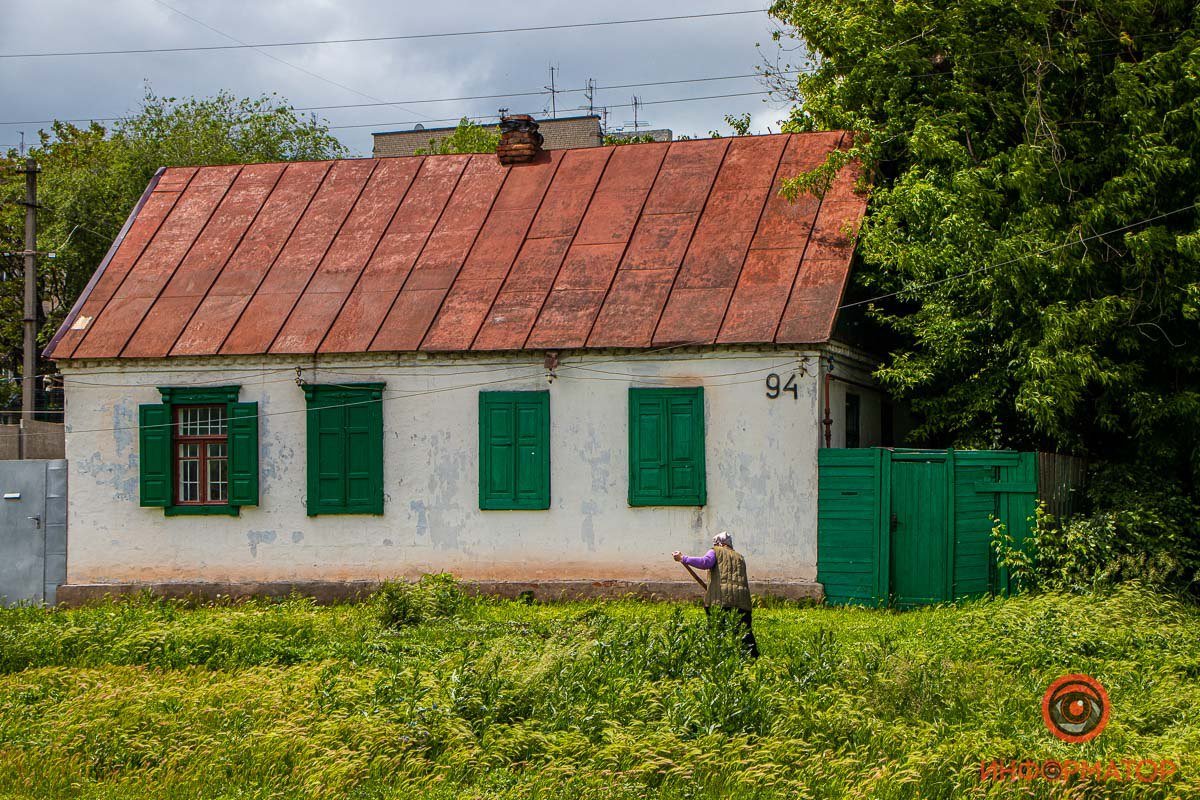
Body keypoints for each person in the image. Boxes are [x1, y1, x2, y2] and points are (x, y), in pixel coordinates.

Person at [673, 531, 759, 658]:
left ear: (719, 543)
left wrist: (683, 558)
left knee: (717, 631)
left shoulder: (716, 551)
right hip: (742, 601)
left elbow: (705, 562)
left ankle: (718, 658)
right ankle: (752, 658)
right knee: (744, 633)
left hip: (721, 600)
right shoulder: (740, 557)